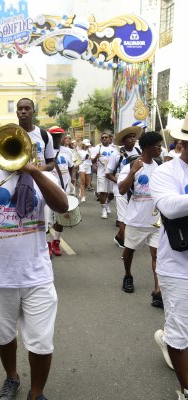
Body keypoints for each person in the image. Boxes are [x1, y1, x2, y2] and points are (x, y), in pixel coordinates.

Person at [0, 148, 68, 400]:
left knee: (42, 342)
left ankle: (36, 392)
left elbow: (62, 205)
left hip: (37, 274)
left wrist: (33, 171)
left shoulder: (42, 177)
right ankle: (12, 377)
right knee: (4, 336)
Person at [150, 113, 188, 400]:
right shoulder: (165, 172)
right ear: (182, 144)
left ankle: (166, 338)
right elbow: (170, 207)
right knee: (181, 335)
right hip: (178, 267)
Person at [118, 131, 163, 307]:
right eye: (157, 146)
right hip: (136, 219)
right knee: (129, 250)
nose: (160, 149)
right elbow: (122, 190)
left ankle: (158, 291)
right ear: (147, 148)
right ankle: (128, 275)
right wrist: (133, 172)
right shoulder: (130, 165)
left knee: (157, 254)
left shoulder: (159, 166)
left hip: (156, 220)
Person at [106, 126, 143, 248]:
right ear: (123, 141)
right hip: (121, 188)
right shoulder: (116, 154)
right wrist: (120, 182)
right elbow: (108, 173)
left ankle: (119, 236)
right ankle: (124, 241)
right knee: (123, 216)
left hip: (136, 187)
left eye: (134, 137)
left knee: (132, 215)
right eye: (130, 138)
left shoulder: (138, 152)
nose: (133, 139)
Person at [45, 126, 74, 257]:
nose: (56, 138)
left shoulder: (68, 151)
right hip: (47, 190)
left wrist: (72, 181)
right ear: (49, 137)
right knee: (45, 220)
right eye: (54, 136)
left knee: (61, 218)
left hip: (64, 189)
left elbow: (71, 167)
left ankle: (56, 242)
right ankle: (47, 245)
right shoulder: (45, 151)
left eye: (58, 135)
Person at [16, 98, 56, 172]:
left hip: (38, 181)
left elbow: (51, 163)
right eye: (20, 109)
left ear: (33, 112)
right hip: (15, 180)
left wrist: (40, 169)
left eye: (27, 108)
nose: (23, 111)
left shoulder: (45, 135)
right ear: (17, 112)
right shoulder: (10, 134)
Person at [91, 132, 117, 219]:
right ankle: (103, 210)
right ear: (101, 140)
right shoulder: (97, 148)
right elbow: (92, 162)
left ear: (110, 139)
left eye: (106, 137)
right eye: (103, 138)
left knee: (112, 193)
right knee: (103, 192)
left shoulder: (114, 149)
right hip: (101, 173)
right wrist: (96, 157)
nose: (104, 139)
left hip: (111, 174)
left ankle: (107, 203)